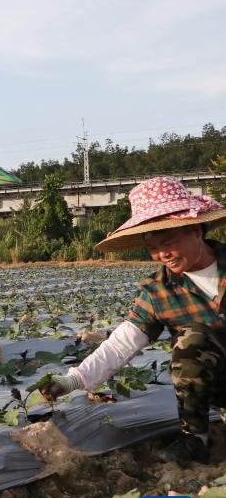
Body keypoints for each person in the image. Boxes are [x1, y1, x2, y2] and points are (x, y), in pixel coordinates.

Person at [43, 176, 226, 464]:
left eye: (168, 242)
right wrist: (72, 380)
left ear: (195, 230)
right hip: (221, 383)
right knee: (191, 340)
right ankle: (195, 438)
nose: (162, 254)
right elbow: (120, 345)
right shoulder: (158, 292)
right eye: (152, 247)